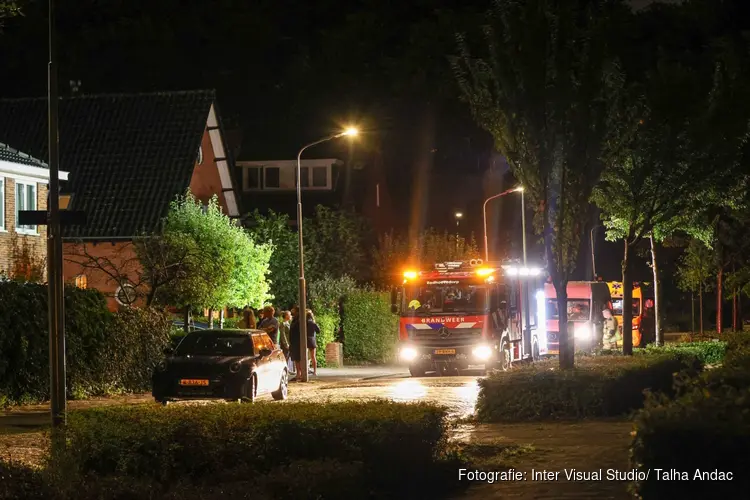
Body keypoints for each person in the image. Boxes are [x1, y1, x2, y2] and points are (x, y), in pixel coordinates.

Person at [306, 309, 321, 376]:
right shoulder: (313, 323)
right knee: (313, 357)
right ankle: (315, 371)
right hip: (312, 340)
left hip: (305, 340)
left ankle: (305, 370)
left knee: (304, 356)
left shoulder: (303, 323)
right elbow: (318, 331)